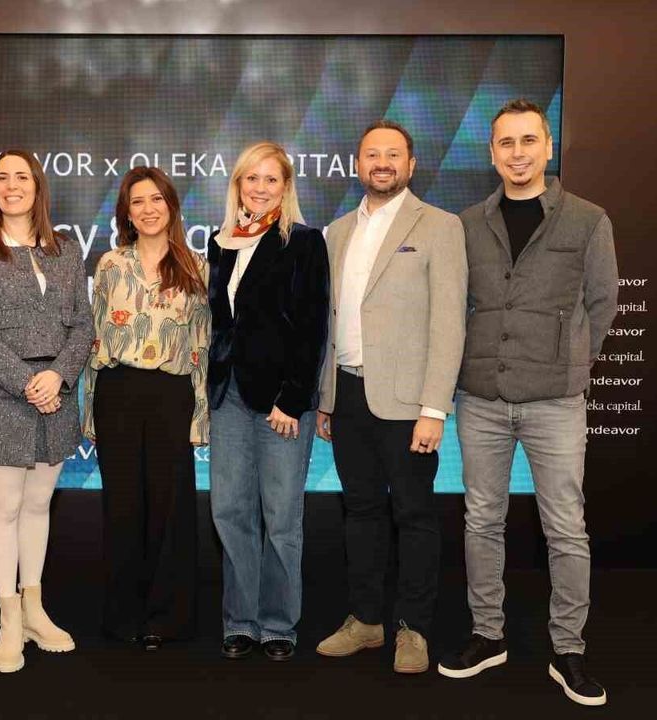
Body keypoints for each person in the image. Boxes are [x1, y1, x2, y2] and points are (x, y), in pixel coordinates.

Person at [437, 99, 617, 707]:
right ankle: (487, 635)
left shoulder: (588, 220)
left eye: (528, 141)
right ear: (492, 153)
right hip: (481, 398)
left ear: (548, 147)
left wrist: (569, 365)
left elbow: (603, 304)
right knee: (481, 521)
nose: (518, 153)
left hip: (555, 403)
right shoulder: (466, 224)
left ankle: (568, 649)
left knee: (565, 528)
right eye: (506, 143)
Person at [314, 120, 468, 674]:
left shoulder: (441, 226)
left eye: (393, 154)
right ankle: (366, 620)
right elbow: (330, 323)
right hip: (349, 395)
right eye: (372, 154)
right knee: (360, 512)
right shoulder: (335, 233)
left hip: (408, 405)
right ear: (358, 164)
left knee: (415, 514)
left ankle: (414, 629)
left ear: (411, 164)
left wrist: (434, 409)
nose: (382, 163)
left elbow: (449, 323)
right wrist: (327, 398)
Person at [0, 150, 94, 673]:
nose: (11, 186)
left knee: (38, 506)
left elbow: (83, 324)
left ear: (37, 187)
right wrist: (27, 382)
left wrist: (57, 376)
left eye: (21, 177)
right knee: (5, 508)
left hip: (57, 394)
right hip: (2, 395)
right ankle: (9, 618)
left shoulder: (66, 250)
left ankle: (35, 611)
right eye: (2, 178)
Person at [206, 142, 329, 662]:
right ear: (237, 185)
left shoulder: (303, 242)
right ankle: (240, 621)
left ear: (286, 187)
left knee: (280, 516)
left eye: (270, 180)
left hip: (281, 402)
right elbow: (222, 324)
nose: (260, 188)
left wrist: (293, 399)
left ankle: (278, 624)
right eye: (251, 178)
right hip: (229, 396)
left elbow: (312, 327)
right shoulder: (220, 243)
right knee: (230, 511)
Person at [82, 166, 210, 650]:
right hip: (117, 393)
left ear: (171, 206)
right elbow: (94, 341)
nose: (149, 209)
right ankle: (123, 614)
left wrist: (200, 416)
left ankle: (167, 616)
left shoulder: (197, 267)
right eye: (138, 201)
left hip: (171, 396)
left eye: (157, 199)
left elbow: (202, 346)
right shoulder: (110, 264)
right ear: (127, 213)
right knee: (122, 506)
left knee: (170, 508)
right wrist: (89, 412)